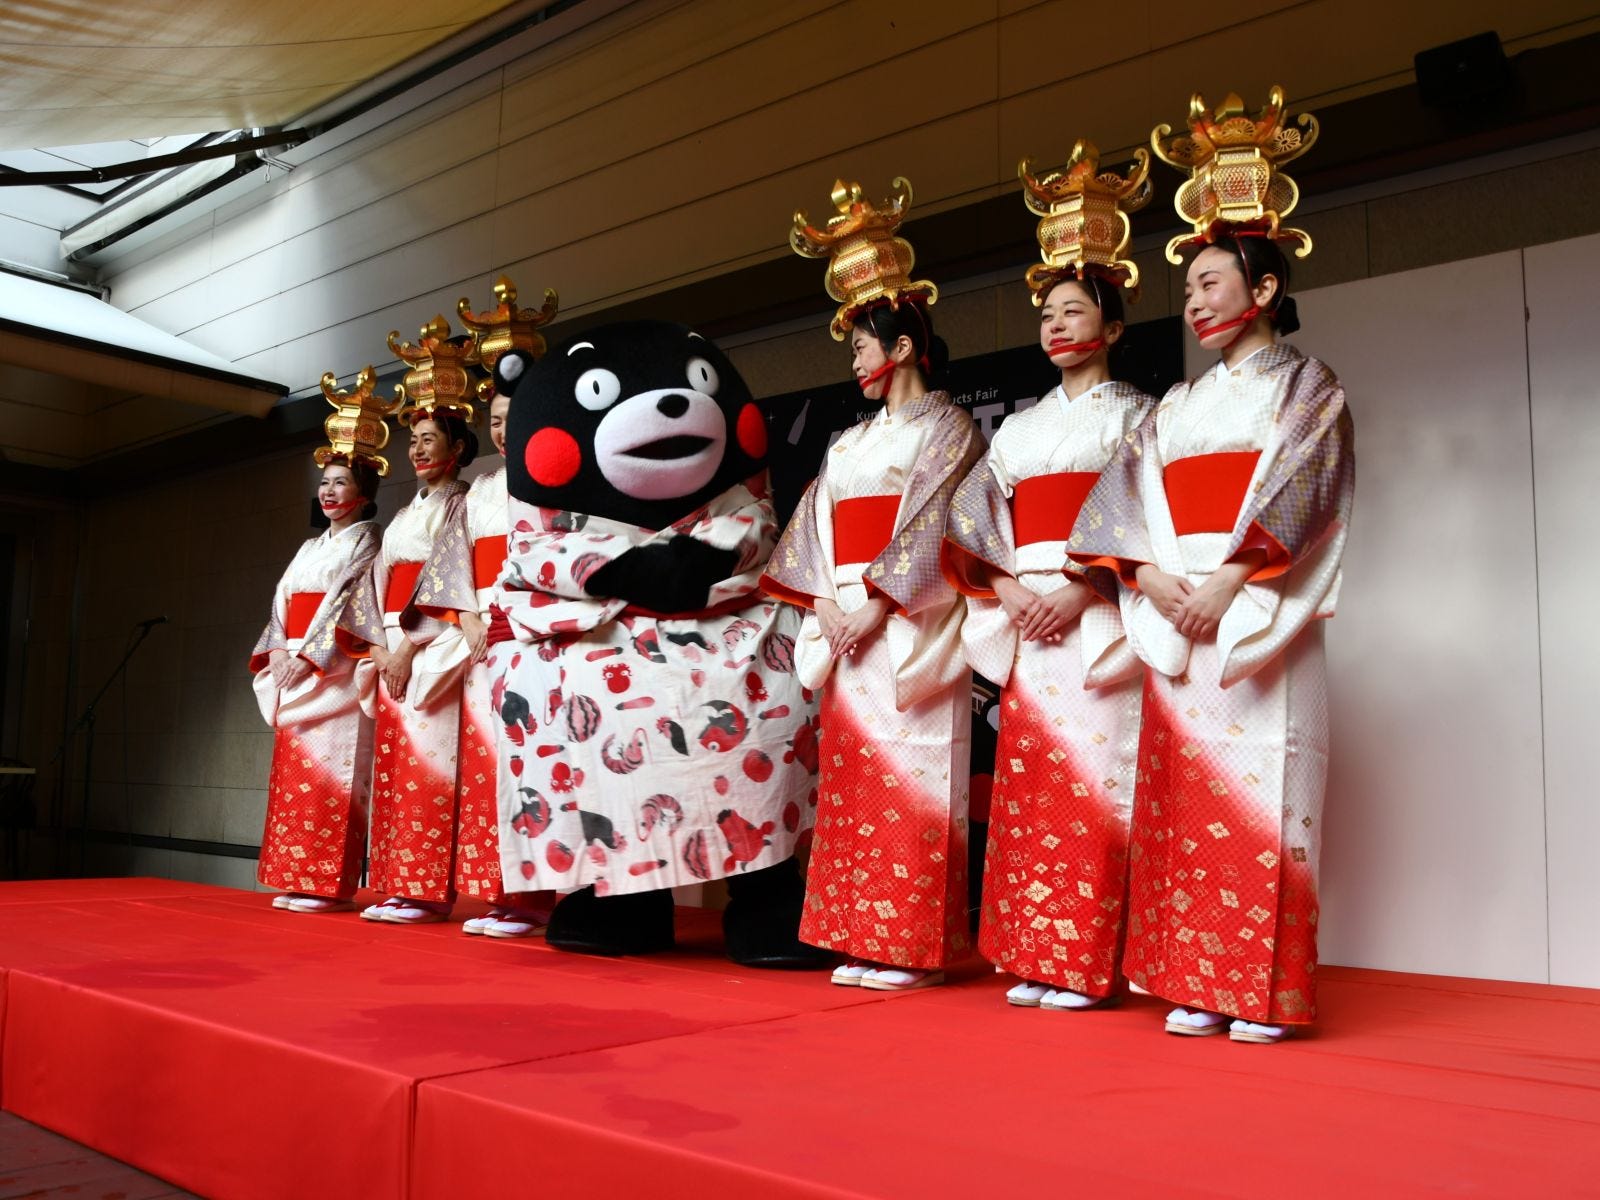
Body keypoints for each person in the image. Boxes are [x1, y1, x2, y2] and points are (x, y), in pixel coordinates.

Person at [1072, 89, 1354, 1042]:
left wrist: (1230, 583)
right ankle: (1196, 978)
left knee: (1269, 795)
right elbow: (1119, 507)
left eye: (1209, 285)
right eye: (1188, 289)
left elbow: (1307, 489)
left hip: (1253, 611)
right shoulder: (1172, 410)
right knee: (1186, 793)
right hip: (1179, 607)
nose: (1193, 303)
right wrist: (1153, 584)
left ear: (1263, 289)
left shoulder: (1308, 388)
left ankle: (1261, 990)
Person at [943, 144, 1155, 1010]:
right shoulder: (1020, 433)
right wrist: (1013, 589)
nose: (1057, 328)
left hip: (1095, 615)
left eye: (1074, 312)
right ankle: (1032, 953)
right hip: (1033, 611)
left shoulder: (1140, 416)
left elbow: (1147, 513)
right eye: (1048, 316)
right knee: (1034, 788)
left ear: (1111, 324)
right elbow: (972, 513)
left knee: (1101, 781)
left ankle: (1089, 962)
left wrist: (1085, 584)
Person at [764, 177, 983, 990]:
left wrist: (878, 604)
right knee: (852, 782)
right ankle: (858, 933)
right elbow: (809, 533)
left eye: (862, 345)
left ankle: (913, 943)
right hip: (848, 620)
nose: (853, 359)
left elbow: (935, 521)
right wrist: (827, 605)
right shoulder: (850, 443)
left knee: (917, 770)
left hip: (904, 625)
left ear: (900, 348)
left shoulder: (949, 426)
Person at [349, 319, 482, 925]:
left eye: (432, 440)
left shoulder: (460, 502)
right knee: (395, 767)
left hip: (432, 643)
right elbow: (377, 583)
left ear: (457, 449)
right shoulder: (404, 514)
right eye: (416, 440)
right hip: (396, 645)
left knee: (432, 765)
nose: (420, 449)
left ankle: (426, 890)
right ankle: (396, 884)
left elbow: (451, 582)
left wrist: (408, 645)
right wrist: (378, 646)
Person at [248, 368, 395, 912]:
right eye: (325, 482)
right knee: (293, 779)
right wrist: (282, 651)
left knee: (335, 776)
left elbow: (347, 603)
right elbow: (281, 600)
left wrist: (308, 655)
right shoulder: (310, 550)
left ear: (364, 492)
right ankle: (295, 875)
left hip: (330, 676)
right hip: (297, 665)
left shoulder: (367, 543)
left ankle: (329, 885)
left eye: (341, 483)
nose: (329, 492)